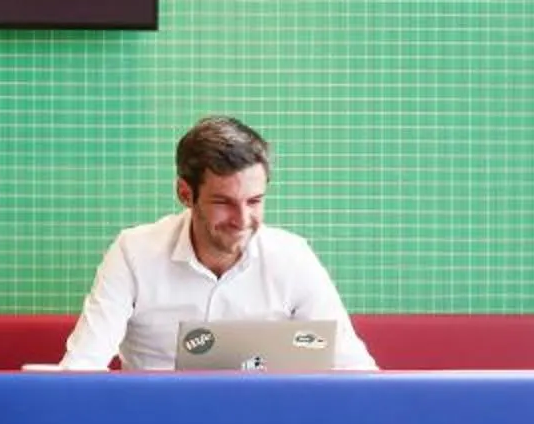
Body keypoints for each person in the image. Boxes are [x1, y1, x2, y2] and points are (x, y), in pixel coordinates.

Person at [58, 115, 378, 371]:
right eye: (223, 202)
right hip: (156, 421)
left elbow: (353, 369)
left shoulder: (293, 257)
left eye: (254, 201)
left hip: (262, 422)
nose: (242, 219)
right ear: (185, 194)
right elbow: (83, 364)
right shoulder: (133, 252)